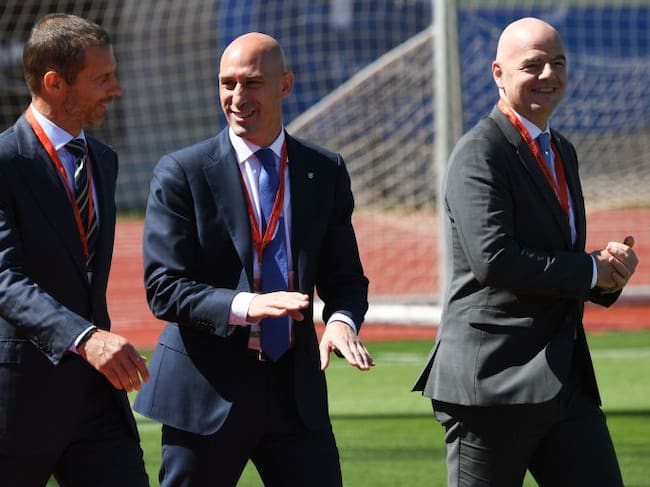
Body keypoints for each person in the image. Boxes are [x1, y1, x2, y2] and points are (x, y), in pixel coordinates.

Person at [133, 32, 374, 486]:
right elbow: (163, 288)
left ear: (285, 85)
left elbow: (345, 277)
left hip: (294, 392)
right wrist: (247, 306)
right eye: (228, 84)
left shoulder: (324, 170)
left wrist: (342, 321)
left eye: (252, 83)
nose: (237, 96)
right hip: (207, 391)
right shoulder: (183, 172)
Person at [413, 17, 639, 487]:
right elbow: (494, 260)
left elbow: (554, 254)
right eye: (532, 65)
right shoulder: (480, 151)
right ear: (498, 73)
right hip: (493, 385)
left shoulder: (562, 150)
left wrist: (607, 271)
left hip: (563, 380)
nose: (548, 75)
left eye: (558, 63)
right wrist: (588, 271)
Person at [0, 13, 150, 487]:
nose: (116, 89)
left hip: (96, 397)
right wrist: (85, 338)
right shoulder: (4, 162)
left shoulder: (103, 160)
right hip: (19, 398)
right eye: (102, 78)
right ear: (54, 83)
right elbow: (5, 280)